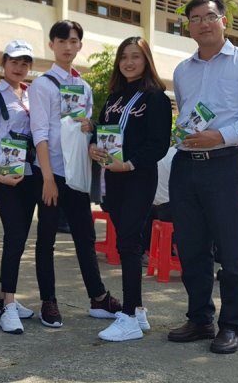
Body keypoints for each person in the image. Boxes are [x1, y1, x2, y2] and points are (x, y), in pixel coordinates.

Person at [167, 0, 238, 354]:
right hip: (185, 166)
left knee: (232, 250)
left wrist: (221, 135)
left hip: (225, 164)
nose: (203, 23)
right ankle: (200, 319)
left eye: (209, 16)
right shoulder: (183, 70)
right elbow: (187, 114)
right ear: (189, 27)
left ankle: (232, 325)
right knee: (191, 248)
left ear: (223, 20)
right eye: (194, 18)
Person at [29, 20, 122, 328]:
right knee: (46, 239)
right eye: (61, 41)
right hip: (51, 173)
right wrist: (47, 179)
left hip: (77, 174)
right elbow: (39, 133)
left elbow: (86, 130)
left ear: (80, 45)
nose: (68, 47)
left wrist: (90, 127)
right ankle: (48, 301)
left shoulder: (83, 87)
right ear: (52, 45)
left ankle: (98, 297)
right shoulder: (42, 86)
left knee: (85, 236)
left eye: (73, 41)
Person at [89, 37, 172, 341]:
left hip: (138, 177)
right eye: (123, 57)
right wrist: (93, 147)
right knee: (129, 241)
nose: (128, 62)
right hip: (114, 179)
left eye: (135, 56)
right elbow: (102, 131)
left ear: (146, 60)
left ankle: (128, 318)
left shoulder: (157, 98)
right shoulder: (114, 97)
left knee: (127, 242)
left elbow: (159, 144)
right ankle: (137, 309)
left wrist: (129, 165)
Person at [0, 40, 37, 334]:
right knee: (15, 235)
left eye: (25, 63)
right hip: (5, 176)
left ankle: (1, 297)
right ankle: (9, 307)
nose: (19, 67)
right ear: (4, 63)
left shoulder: (31, 95)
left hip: (28, 173)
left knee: (19, 238)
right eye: (14, 62)